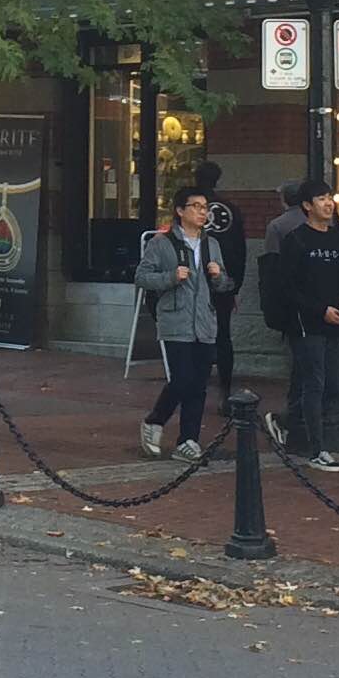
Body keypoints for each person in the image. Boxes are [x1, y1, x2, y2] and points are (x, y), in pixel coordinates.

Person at [273, 178, 339, 471]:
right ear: (307, 206)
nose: (328, 203)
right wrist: (320, 310)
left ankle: (287, 420)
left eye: (329, 197)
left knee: (334, 384)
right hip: (306, 323)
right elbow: (286, 288)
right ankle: (316, 449)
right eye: (321, 199)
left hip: (337, 320)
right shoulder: (296, 240)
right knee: (315, 382)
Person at [135, 187, 226, 461]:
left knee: (199, 384)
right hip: (176, 320)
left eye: (204, 207)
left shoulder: (211, 244)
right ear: (180, 211)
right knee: (182, 379)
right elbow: (142, 277)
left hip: (205, 321)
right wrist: (171, 277)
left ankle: (188, 440)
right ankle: (155, 420)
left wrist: (219, 276)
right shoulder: (162, 243)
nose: (202, 212)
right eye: (195, 206)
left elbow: (223, 284)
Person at [191, 160, 245, 423]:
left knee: (194, 336)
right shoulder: (230, 209)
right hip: (223, 280)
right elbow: (240, 248)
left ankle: (196, 389)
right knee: (223, 336)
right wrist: (235, 282)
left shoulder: (190, 208)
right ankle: (225, 390)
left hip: (194, 281)